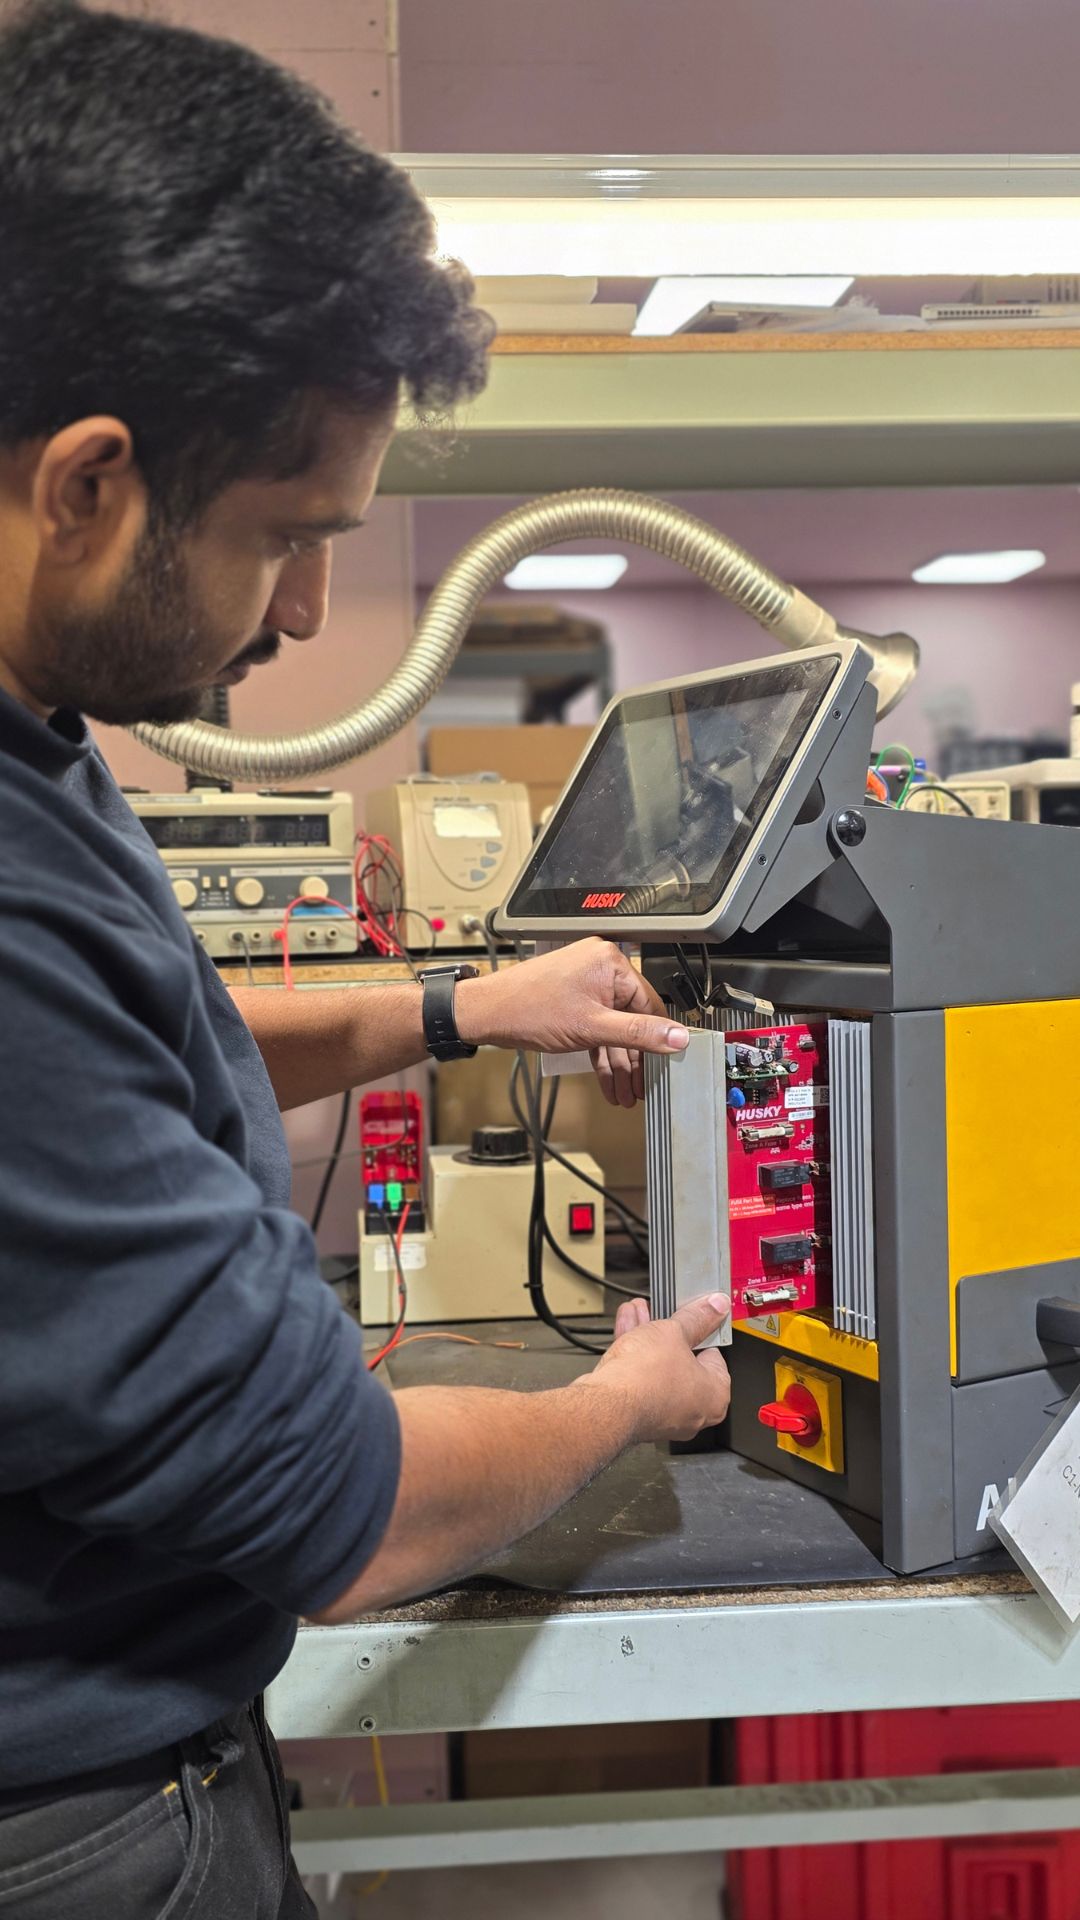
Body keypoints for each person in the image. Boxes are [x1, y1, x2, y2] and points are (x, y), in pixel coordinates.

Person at [0, 4, 732, 1913]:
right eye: (284, 535)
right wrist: (628, 1401)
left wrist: (463, 1006)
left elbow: (133, 1042)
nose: (309, 611)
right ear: (87, 482)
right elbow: (342, 1514)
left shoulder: (36, 737)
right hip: (74, 1828)